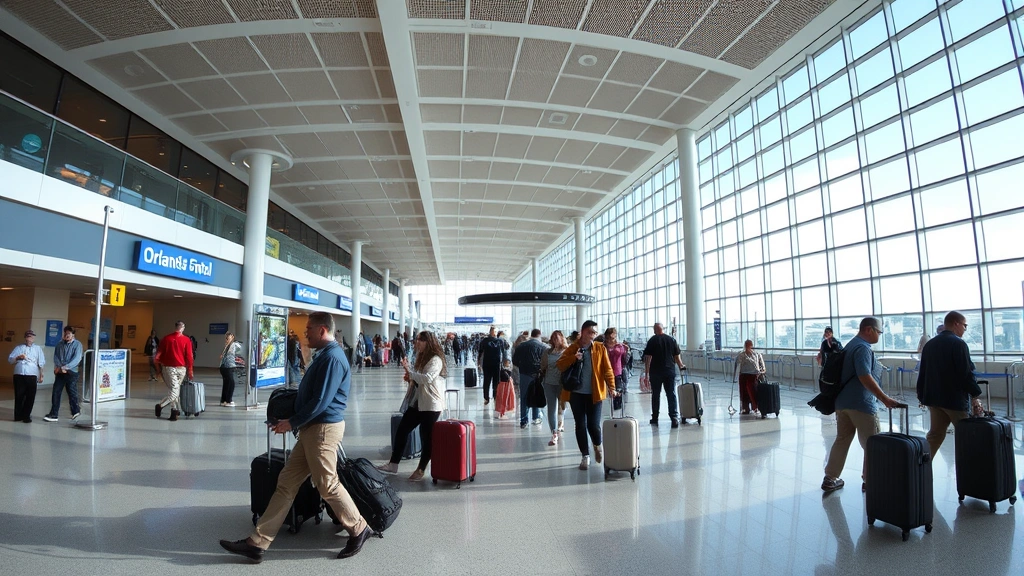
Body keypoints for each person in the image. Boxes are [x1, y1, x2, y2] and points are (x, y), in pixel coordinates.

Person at [220, 312, 372, 562]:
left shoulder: (332, 358)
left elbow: (321, 401)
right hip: (313, 430)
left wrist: (292, 421)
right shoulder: (325, 356)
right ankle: (258, 542)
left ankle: (358, 527)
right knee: (287, 482)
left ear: (323, 330)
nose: (305, 334)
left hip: (322, 430)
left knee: (327, 484)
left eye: (309, 329)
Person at [822, 317, 900, 493]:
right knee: (872, 443)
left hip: (842, 403)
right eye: (879, 332)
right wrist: (884, 398)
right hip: (862, 404)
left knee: (842, 440)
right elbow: (864, 376)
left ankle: (830, 478)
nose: (879, 336)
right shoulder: (863, 348)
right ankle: (871, 480)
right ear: (868, 330)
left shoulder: (850, 345)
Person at [377, 331, 447, 481]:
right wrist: (410, 376)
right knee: (402, 429)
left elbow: (427, 379)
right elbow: (418, 380)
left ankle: (421, 470)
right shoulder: (422, 358)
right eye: (416, 341)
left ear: (428, 342)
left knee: (426, 437)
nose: (417, 343)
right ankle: (393, 463)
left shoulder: (436, 360)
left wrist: (410, 372)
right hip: (418, 402)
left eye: (420, 341)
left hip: (431, 404)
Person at [916, 311, 983, 459]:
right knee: (966, 435)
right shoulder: (958, 344)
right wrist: (975, 395)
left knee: (934, 435)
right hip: (954, 400)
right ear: (956, 324)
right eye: (965, 325)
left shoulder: (930, 345)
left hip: (934, 399)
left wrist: (921, 395)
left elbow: (923, 373)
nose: (965, 329)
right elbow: (965, 373)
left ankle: (921, 466)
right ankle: (971, 470)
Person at [556, 320, 617, 470]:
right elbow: (560, 365)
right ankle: (585, 456)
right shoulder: (573, 348)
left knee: (594, 425)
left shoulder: (599, 349)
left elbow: (607, 370)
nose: (593, 335)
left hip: (594, 393)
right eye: (590, 332)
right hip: (576, 394)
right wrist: (573, 358)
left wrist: (612, 387)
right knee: (580, 425)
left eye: (595, 333)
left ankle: (597, 445)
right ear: (583, 332)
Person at [641, 323, 686, 428]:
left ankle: (655, 417)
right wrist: (681, 366)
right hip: (669, 371)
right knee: (671, 394)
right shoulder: (672, 340)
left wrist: (647, 374)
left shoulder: (652, 340)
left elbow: (648, 359)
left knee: (655, 395)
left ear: (654, 330)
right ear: (663, 329)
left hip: (655, 372)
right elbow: (677, 356)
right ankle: (674, 417)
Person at [154, 321, 194, 422]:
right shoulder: (186, 340)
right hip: (182, 368)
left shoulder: (166, 339)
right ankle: (174, 411)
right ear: (183, 328)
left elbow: (157, 357)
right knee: (175, 389)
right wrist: (190, 370)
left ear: (175, 327)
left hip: (169, 368)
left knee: (174, 389)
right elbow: (189, 357)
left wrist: (158, 370)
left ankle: (162, 406)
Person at [44, 326, 83, 422]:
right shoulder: (59, 344)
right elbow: (56, 356)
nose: (66, 335)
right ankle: (54, 414)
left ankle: (75, 411)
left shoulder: (78, 345)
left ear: (73, 335)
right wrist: (59, 367)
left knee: (71, 392)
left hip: (72, 372)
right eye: (65, 333)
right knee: (56, 391)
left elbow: (77, 359)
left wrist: (65, 367)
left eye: (68, 333)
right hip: (61, 372)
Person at [538, 330, 568, 445]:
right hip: (549, 383)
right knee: (551, 409)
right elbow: (543, 366)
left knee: (562, 407)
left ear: (562, 339)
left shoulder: (566, 351)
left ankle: (560, 424)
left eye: (557, 338)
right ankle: (554, 433)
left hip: (562, 384)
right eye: (554, 338)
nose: (555, 340)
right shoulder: (547, 352)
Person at [8, 329, 45, 423]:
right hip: (19, 374)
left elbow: (41, 362)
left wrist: (41, 375)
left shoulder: (38, 349)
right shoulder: (19, 347)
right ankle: (18, 415)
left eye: (32, 337)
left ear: (34, 338)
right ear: (25, 338)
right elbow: (10, 360)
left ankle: (26, 415)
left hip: (32, 374)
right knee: (19, 395)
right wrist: (18, 357)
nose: (30, 338)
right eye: (28, 336)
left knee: (30, 396)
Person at [512, 328, 547, 429]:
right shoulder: (543, 347)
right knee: (537, 394)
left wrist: (522, 367)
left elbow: (515, 360)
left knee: (524, 396)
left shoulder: (521, 346)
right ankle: (536, 417)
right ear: (539, 335)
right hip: (538, 375)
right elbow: (546, 362)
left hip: (524, 374)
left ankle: (524, 420)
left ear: (531, 335)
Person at [733, 339, 766, 415]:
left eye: (750, 345)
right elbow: (738, 364)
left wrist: (761, 372)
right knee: (744, 393)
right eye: (747, 345)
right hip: (745, 375)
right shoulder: (742, 355)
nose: (749, 347)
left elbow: (763, 367)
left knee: (755, 392)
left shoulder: (757, 354)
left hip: (755, 376)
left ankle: (756, 407)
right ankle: (745, 408)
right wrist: (735, 376)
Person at [477, 325, 504, 406]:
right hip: (487, 364)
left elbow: (503, 352)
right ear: (490, 332)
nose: (495, 333)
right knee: (487, 382)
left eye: (496, 331)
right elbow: (480, 352)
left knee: (496, 382)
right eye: (493, 331)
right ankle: (486, 397)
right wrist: (478, 362)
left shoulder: (500, 341)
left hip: (496, 364)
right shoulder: (485, 341)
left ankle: (495, 396)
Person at [218, 332, 244, 407]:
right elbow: (240, 351)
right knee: (231, 383)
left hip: (224, 367)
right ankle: (229, 400)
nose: (227, 340)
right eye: (227, 338)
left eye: (228, 338)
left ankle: (224, 400)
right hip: (229, 366)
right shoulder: (233, 345)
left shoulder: (227, 346)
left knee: (226, 383)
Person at [604, 327, 630, 396]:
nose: (610, 340)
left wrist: (627, 351)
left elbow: (625, 359)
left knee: (618, 392)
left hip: (617, 372)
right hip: (606, 372)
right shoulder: (602, 347)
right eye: (608, 338)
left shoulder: (619, 346)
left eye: (612, 338)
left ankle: (617, 404)